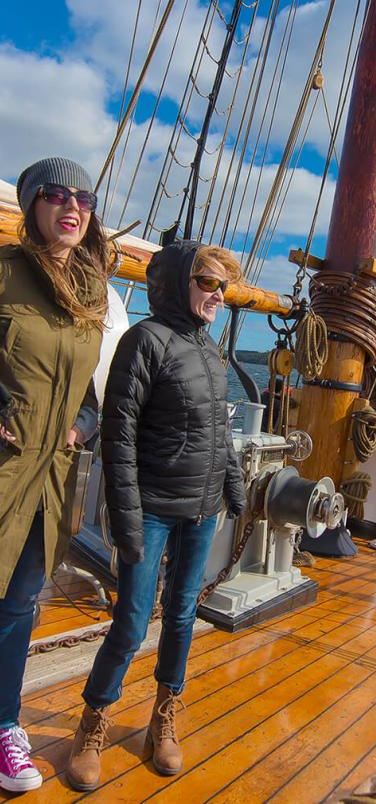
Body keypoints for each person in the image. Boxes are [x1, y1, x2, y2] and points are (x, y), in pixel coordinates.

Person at [67, 240, 247, 792]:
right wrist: (125, 520)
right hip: (151, 510)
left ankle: (163, 716)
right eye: (208, 283)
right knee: (131, 619)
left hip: (201, 511)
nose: (219, 295)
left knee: (183, 617)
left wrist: (234, 485)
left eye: (223, 286)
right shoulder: (144, 341)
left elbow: (220, 432)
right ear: (176, 283)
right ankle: (93, 721)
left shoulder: (211, 351)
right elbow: (117, 439)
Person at [0, 158, 109, 793]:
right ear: (33, 204)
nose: (73, 206)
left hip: (52, 482)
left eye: (85, 198)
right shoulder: (6, 274)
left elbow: (89, 399)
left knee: (17, 607)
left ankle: (5, 724)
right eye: (58, 194)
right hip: (4, 467)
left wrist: (83, 430)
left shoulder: (93, 291)